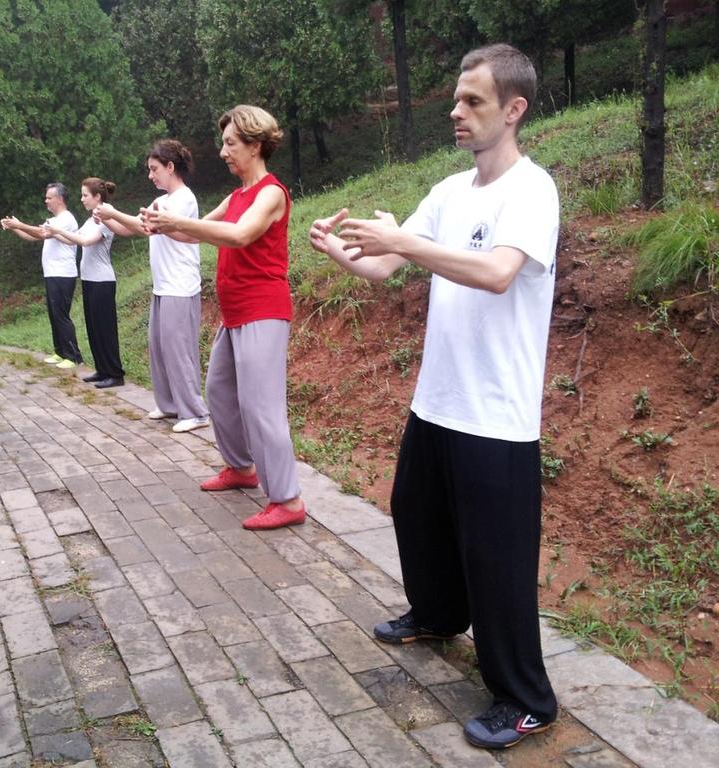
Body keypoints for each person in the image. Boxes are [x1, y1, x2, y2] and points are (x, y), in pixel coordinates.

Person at [309, 44, 558, 749]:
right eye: (455, 99)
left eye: (473, 100)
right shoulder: (450, 193)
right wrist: (343, 248)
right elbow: (386, 264)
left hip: (496, 417)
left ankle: (526, 698)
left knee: (496, 559)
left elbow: (498, 272)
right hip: (438, 402)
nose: (457, 111)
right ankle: (438, 614)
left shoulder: (532, 190)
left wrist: (404, 245)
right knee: (414, 512)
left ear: (513, 110)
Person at [142, 106, 305, 531]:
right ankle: (241, 468)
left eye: (231, 143)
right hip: (234, 315)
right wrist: (159, 224)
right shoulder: (236, 197)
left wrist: (175, 220)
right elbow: (188, 232)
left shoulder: (271, 193)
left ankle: (287, 499)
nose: (223, 152)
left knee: (261, 406)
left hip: (263, 311)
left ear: (255, 145)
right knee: (218, 392)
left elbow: (238, 235)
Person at [95, 140, 211, 433]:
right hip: (163, 286)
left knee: (178, 349)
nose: (150, 175)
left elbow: (148, 226)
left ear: (171, 167)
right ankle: (170, 404)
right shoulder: (166, 201)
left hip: (180, 286)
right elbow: (135, 228)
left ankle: (196, 412)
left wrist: (112, 212)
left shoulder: (184, 198)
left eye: (154, 169)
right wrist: (108, 219)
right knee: (159, 347)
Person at [42, 177, 125, 388]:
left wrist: (57, 230)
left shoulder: (104, 219)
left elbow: (86, 242)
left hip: (103, 281)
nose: (82, 199)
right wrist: (53, 233)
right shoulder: (90, 220)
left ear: (97, 197)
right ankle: (102, 369)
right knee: (93, 328)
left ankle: (115, 373)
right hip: (89, 280)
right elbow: (73, 239)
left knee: (105, 329)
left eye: (85, 195)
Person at [1, 183, 82, 369]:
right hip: (52, 273)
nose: (46, 201)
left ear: (60, 199)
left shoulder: (66, 219)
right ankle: (60, 352)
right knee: (53, 314)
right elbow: (34, 236)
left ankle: (73, 355)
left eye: (49, 198)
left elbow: (41, 233)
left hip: (63, 274)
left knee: (61, 314)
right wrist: (14, 227)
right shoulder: (53, 221)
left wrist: (19, 223)